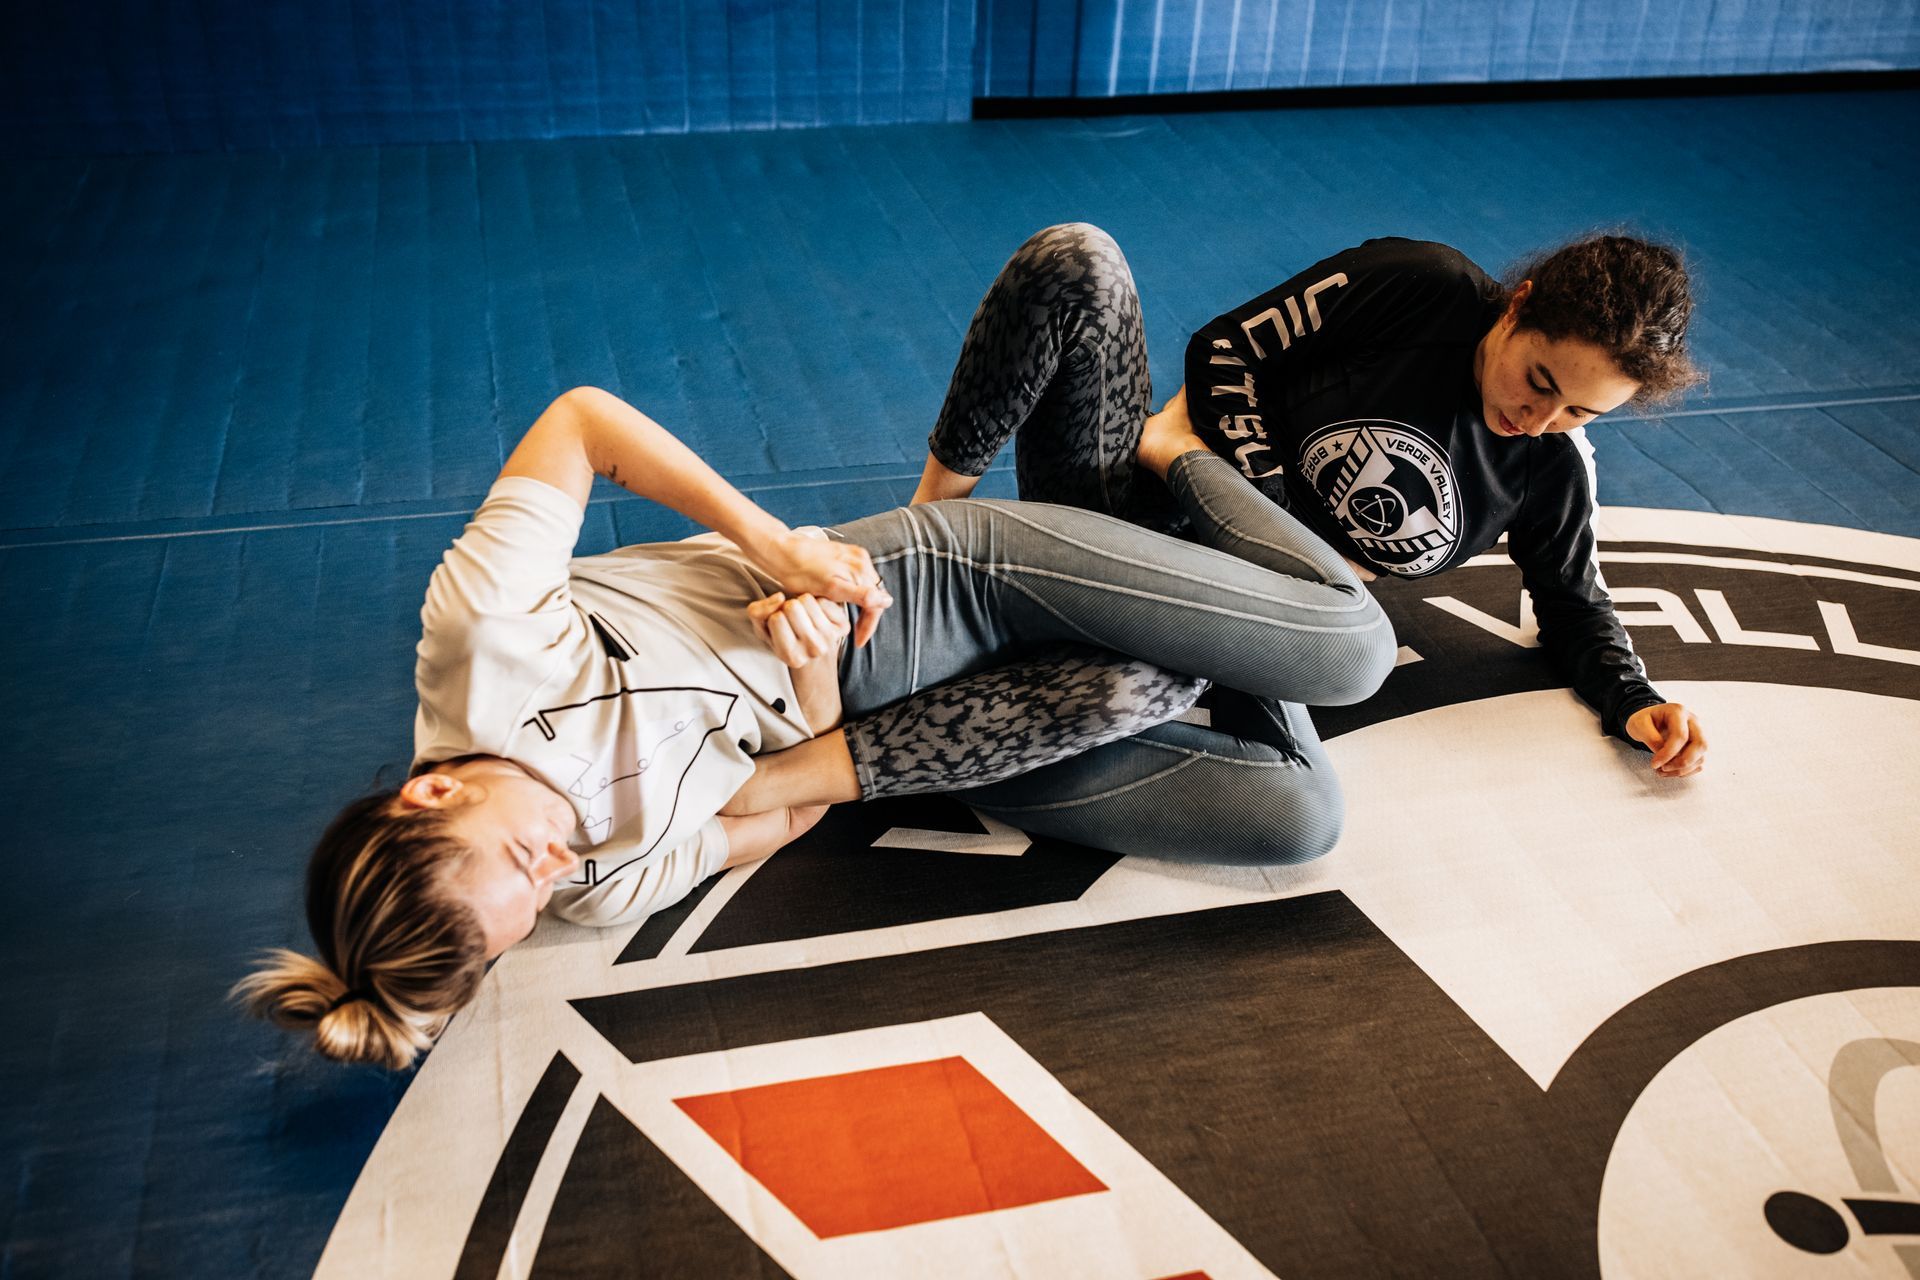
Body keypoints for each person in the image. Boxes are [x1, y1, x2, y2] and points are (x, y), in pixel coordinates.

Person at [238, 385, 1396, 1067]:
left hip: (928, 589)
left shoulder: (479, 639)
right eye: (529, 906)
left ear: (431, 790)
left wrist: (776, 547)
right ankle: (1187, 613)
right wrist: (817, 708)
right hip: (908, 738)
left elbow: (585, 420)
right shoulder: (596, 887)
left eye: (517, 858)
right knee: (1298, 815)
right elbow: (790, 808)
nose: (558, 867)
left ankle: (1173, 457)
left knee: (1350, 652)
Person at [911, 222, 1710, 783]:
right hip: (1125, 505)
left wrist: (1633, 699)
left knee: (1281, 784)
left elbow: (1573, 603)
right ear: (1518, 304)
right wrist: (1247, 497)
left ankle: (956, 741)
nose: (1538, 418)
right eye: (1540, 380)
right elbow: (1227, 349)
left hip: (1217, 624)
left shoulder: (1549, 473)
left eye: (1578, 411)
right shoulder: (1419, 287)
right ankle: (927, 529)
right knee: (1079, 259)